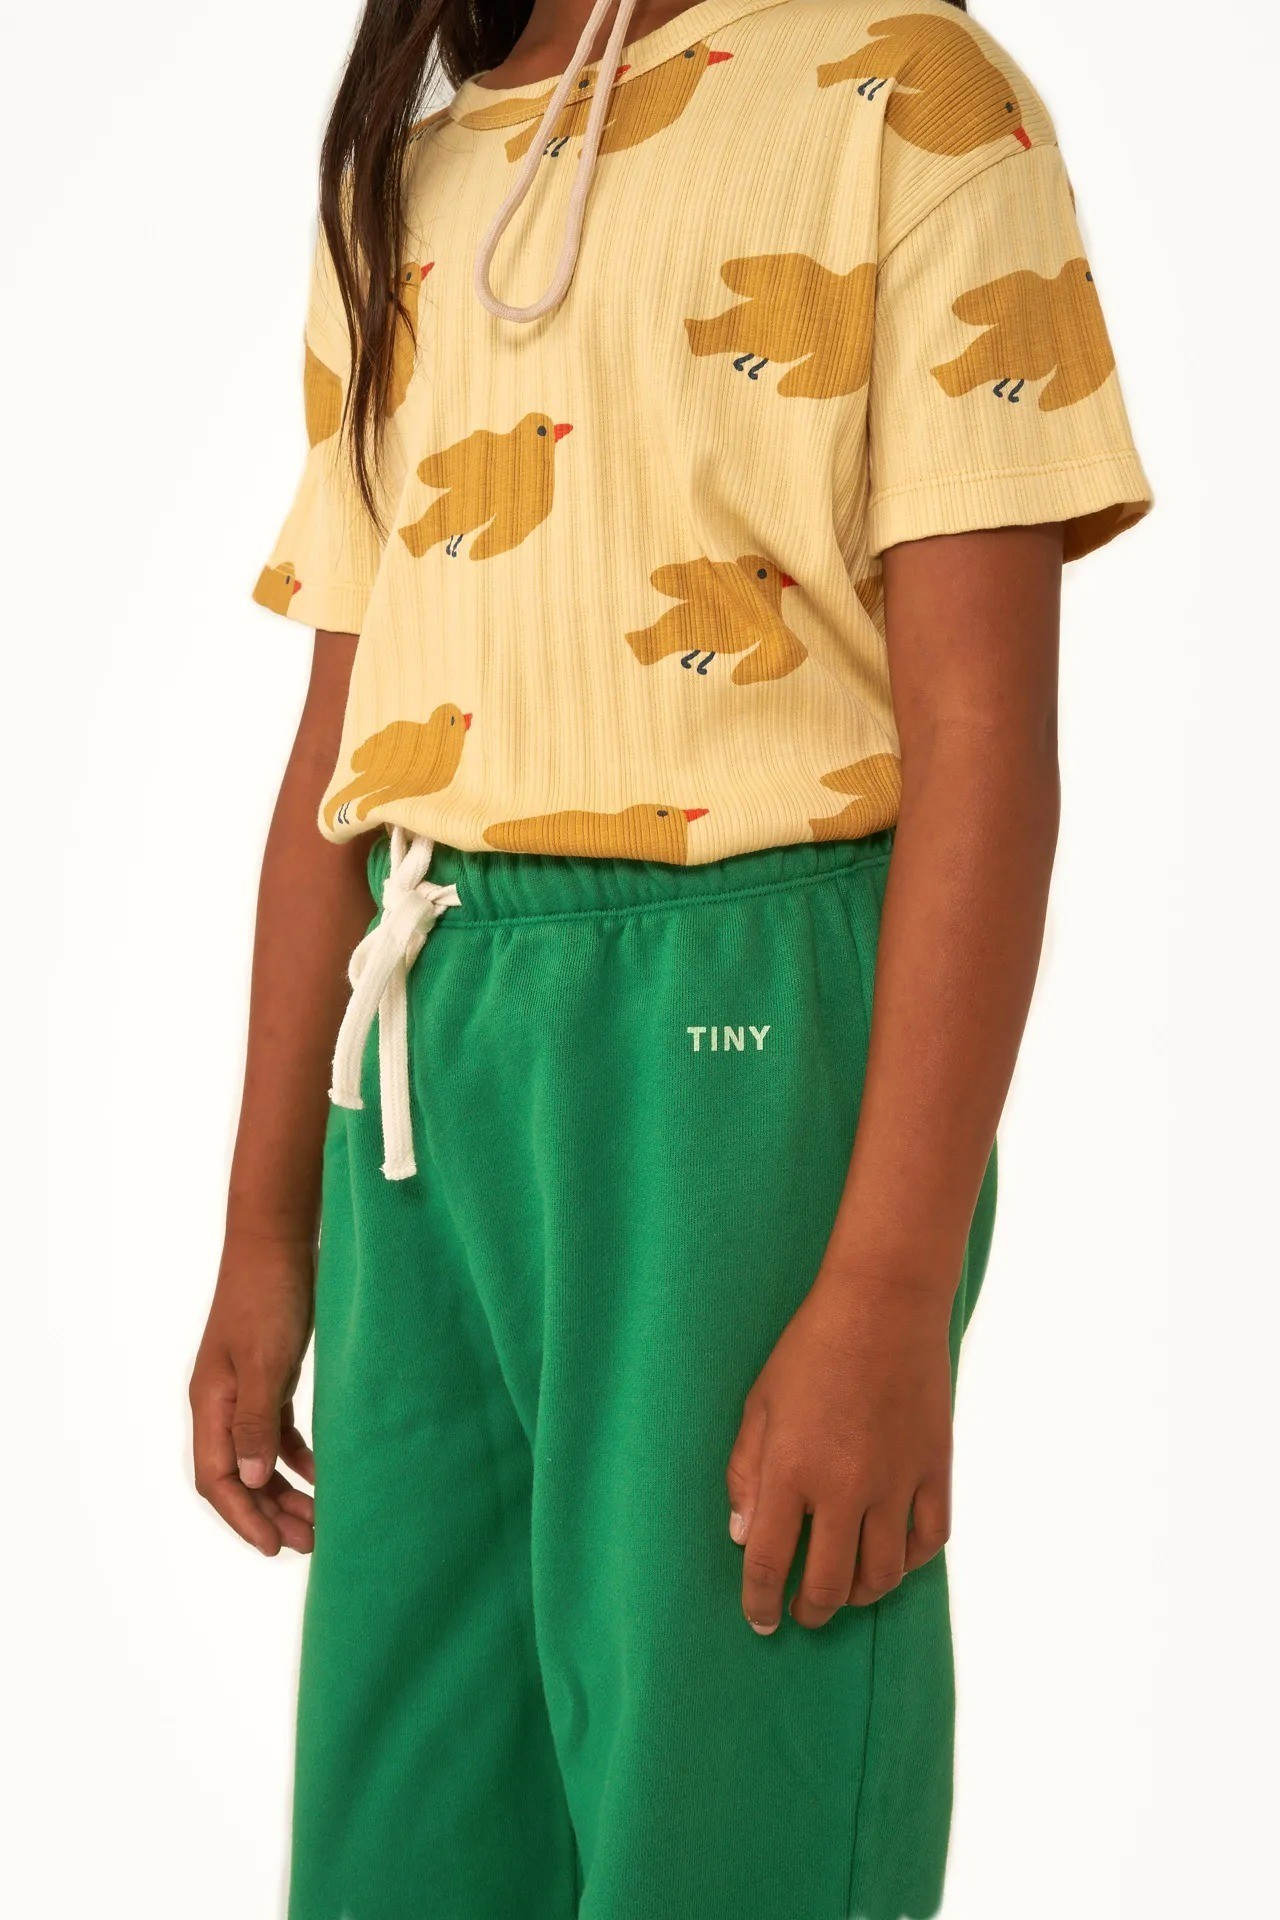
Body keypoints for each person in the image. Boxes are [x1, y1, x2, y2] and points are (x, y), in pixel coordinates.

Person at [190, 0, 1151, 1912]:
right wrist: (264, 1230)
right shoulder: (414, 165)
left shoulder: (906, 93)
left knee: (724, 1808)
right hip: (428, 1036)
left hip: (741, 1033)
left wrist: (888, 1285)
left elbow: (984, 743)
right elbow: (339, 747)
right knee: (412, 1826)